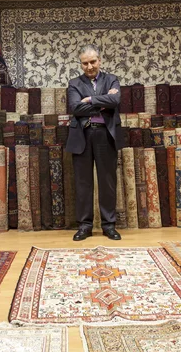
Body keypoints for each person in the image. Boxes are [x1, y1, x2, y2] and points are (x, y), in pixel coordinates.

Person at [65, 45, 124, 241]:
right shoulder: (74, 83)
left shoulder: (112, 79)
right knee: (83, 183)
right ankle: (85, 226)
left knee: (108, 182)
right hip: (83, 134)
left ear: (100, 61)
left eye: (93, 62)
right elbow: (75, 107)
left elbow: (115, 101)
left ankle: (108, 225)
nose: (89, 66)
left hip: (106, 135)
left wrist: (89, 99)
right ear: (81, 64)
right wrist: (102, 103)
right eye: (85, 63)